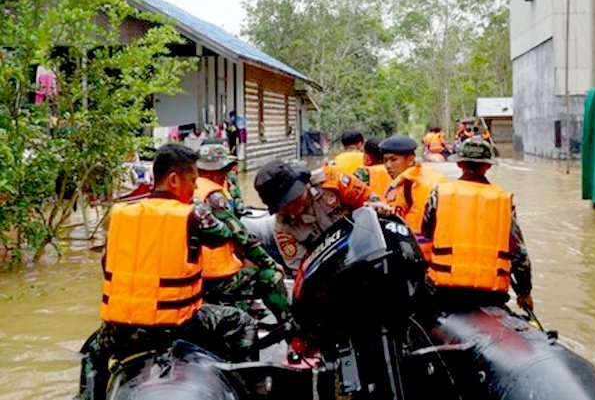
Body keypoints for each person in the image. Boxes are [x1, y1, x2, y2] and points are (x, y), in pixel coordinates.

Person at [78, 144, 258, 400]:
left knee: (93, 352)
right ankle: (248, 391)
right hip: (177, 325)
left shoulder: (120, 214)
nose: (195, 187)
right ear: (174, 179)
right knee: (242, 323)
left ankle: (89, 397)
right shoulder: (191, 215)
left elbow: (107, 264)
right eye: (193, 180)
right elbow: (224, 236)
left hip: (121, 327)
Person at [421, 138, 533, 311]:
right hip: (490, 294)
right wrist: (524, 293)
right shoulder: (503, 200)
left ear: (459, 163)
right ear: (488, 166)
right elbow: (520, 255)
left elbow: (425, 232)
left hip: (444, 290)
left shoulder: (439, 193)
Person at [194, 144, 291, 322]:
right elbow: (240, 235)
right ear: (210, 171)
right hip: (214, 277)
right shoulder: (213, 196)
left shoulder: (186, 191)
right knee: (271, 277)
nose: (226, 174)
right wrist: (269, 263)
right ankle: (292, 329)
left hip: (193, 276)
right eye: (223, 170)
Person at [254, 159, 390, 272]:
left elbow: (367, 198)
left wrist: (377, 206)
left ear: (303, 184)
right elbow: (300, 268)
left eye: (294, 200)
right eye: (284, 207)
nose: (292, 209)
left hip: (365, 248)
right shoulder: (283, 229)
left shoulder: (331, 180)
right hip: (332, 271)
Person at [380, 135, 447, 251]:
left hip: (421, 254)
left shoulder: (417, 184)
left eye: (393, 159)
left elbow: (424, 224)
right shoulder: (409, 180)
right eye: (385, 160)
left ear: (410, 160)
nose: (388, 166)